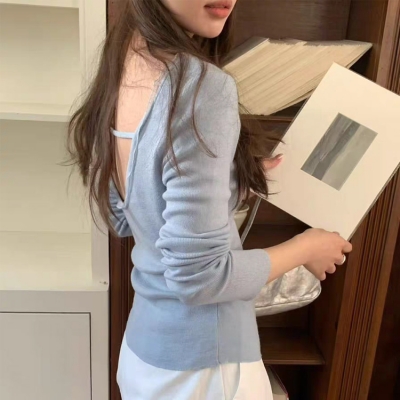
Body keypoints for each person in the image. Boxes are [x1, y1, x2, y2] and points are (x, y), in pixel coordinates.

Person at [68, 0, 352, 399]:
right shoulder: (203, 87)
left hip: (143, 356)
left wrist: (227, 181)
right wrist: (308, 247)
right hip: (206, 370)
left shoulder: (121, 65)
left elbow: (126, 214)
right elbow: (202, 277)